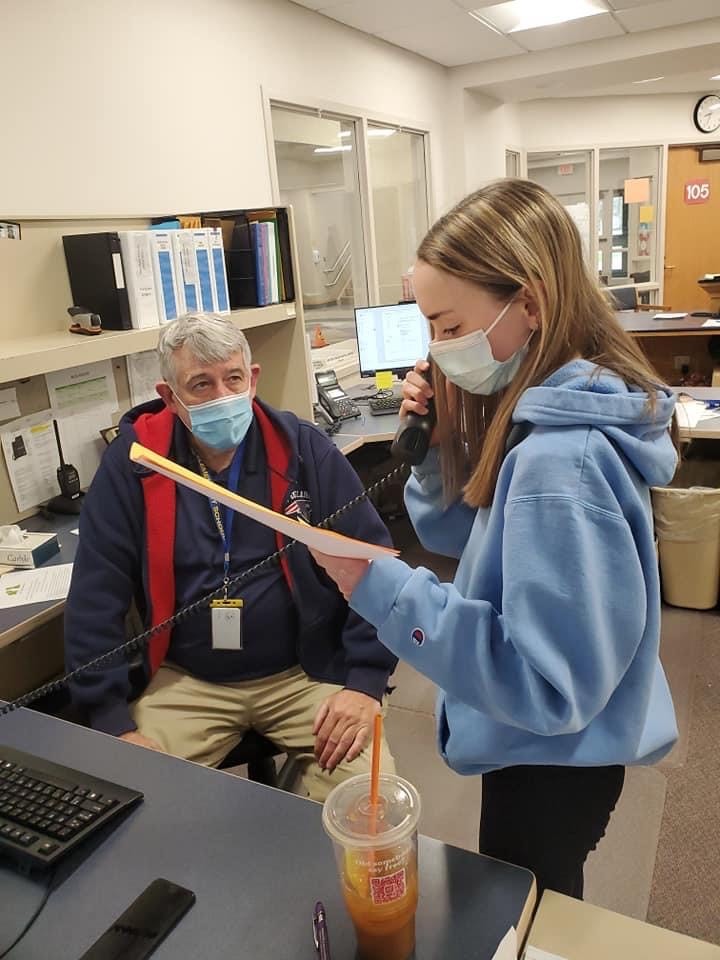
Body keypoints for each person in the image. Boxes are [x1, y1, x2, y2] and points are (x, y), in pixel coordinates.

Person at [311, 178, 679, 897]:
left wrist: (379, 589)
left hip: (550, 757)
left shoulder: (558, 462)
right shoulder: (556, 413)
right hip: (559, 748)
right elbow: (478, 543)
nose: (440, 349)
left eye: (449, 327)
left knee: (531, 908)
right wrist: (443, 446)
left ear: (530, 304)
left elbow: (545, 685)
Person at [64, 312, 396, 802]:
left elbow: (375, 566)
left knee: (375, 802)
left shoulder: (303, 450)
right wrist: (112, 720)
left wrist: (365, 684)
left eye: (233, 378)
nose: (222, 396)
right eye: (200, 384)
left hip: (305, 674)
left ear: (252, 378)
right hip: (189, 680)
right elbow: (97, 593)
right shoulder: (136, 463)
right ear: (169, 398)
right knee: (122, 801)